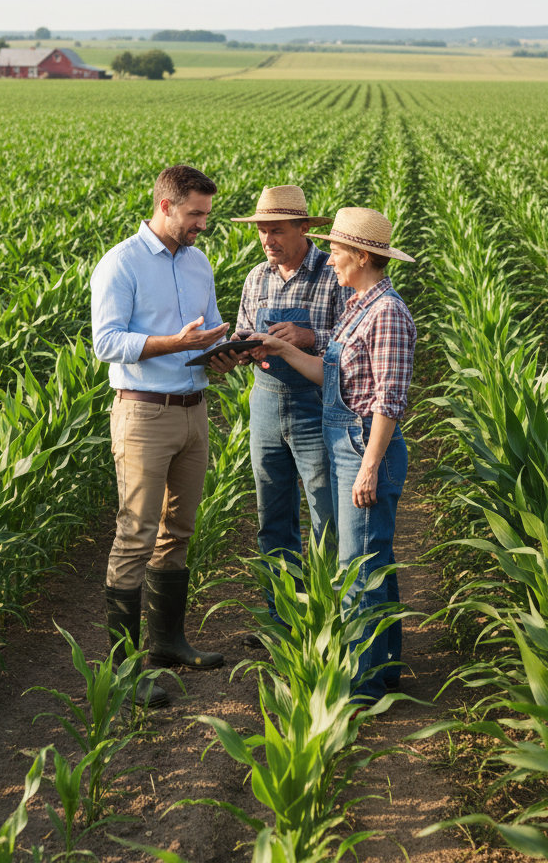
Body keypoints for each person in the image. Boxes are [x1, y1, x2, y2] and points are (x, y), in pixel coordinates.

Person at [249, 207, 416, 702]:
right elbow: (330, 372)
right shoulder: (360, 304)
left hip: (364, 442)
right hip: (347, 438)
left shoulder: (387, 313)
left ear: (362, 257)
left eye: (338, 252)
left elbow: (388, 400)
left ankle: (360, 687)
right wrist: (277, 349)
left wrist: (368, 467)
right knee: (371, 559)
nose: (332, 261)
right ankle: (384, 671)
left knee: (358, 566)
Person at [91, 164, 236, 707]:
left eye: (206, 215)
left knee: (179, 529)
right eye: (196, 214)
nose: (203, 224)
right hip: (144, 414)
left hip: (193, 411)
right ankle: (124, 671)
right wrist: (173, 344)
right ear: (166, 205)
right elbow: (107, 342)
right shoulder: (120, 264)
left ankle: (168, 642)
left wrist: (222, 353)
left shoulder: (199, 264)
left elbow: (207, 329)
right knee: (135, 533)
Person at [229, 186, 348, 644]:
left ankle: (327, 617)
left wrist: (308, 335)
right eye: (262, 231)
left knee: (325, 514)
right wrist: (237, 351)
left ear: (303, 229)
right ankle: (280, 620)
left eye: (276, 230)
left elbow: (353, 345)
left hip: (315, 403)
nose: (267, 240)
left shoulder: (333, 274)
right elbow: (244, 327)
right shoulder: (256, 277)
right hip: (264, 400)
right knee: (272, 512)